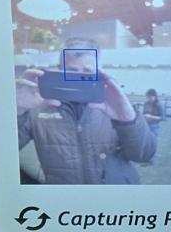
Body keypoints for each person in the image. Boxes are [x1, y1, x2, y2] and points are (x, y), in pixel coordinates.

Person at [16, 39, 156, 184]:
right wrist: (17, 111)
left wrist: (127, 120)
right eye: (72, 71)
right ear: (59, 69)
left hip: (118, 197)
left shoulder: (115, 103)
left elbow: (144, 155)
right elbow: (0, 154)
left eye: (87, 71)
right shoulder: (37, 107)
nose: (79, 78)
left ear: (99, 70)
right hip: (67, 199)